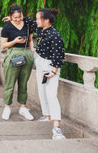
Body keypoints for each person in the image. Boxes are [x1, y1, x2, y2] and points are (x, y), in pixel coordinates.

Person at [32, 8, 66, 140]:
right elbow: (30, 23)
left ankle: (57, 128)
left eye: (38, 19)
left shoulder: (55, 35)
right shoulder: (41, 29)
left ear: (46, 20)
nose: (36, 21)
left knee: (51, 95)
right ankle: (47, 116)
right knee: (42, 92)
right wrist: (12, 19)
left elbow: (59, 55)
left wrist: (53, 71)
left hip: (49, 66)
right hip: (40, 63)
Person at [0, 5, 35, 121]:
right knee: (10, 83)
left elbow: (30, 41)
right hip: (13, 54)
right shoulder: (7, 27)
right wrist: (14, 41)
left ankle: (23, 107)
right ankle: (7, 107)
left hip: (26, 54)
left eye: (19, 17)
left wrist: (31, 53)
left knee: (23, 83)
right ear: (10, 16)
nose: (18, 19)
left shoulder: (28, 25)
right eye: (15, 17)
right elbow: (3, 45)